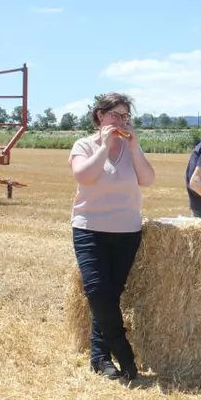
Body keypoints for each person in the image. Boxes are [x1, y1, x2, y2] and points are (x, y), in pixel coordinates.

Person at [69, 92, 155, 381]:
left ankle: (99, 357)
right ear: (99, 116)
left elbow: (148, 179)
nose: (120, 121)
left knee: (109, 295)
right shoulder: (84, 145)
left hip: (126, 231)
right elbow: (84, 176)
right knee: (96, 291)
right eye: (114, 115)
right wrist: (104, 146)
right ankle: (123, 351)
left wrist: (135, 147)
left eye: (124, 116)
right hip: (89, 228)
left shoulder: (131, 149)